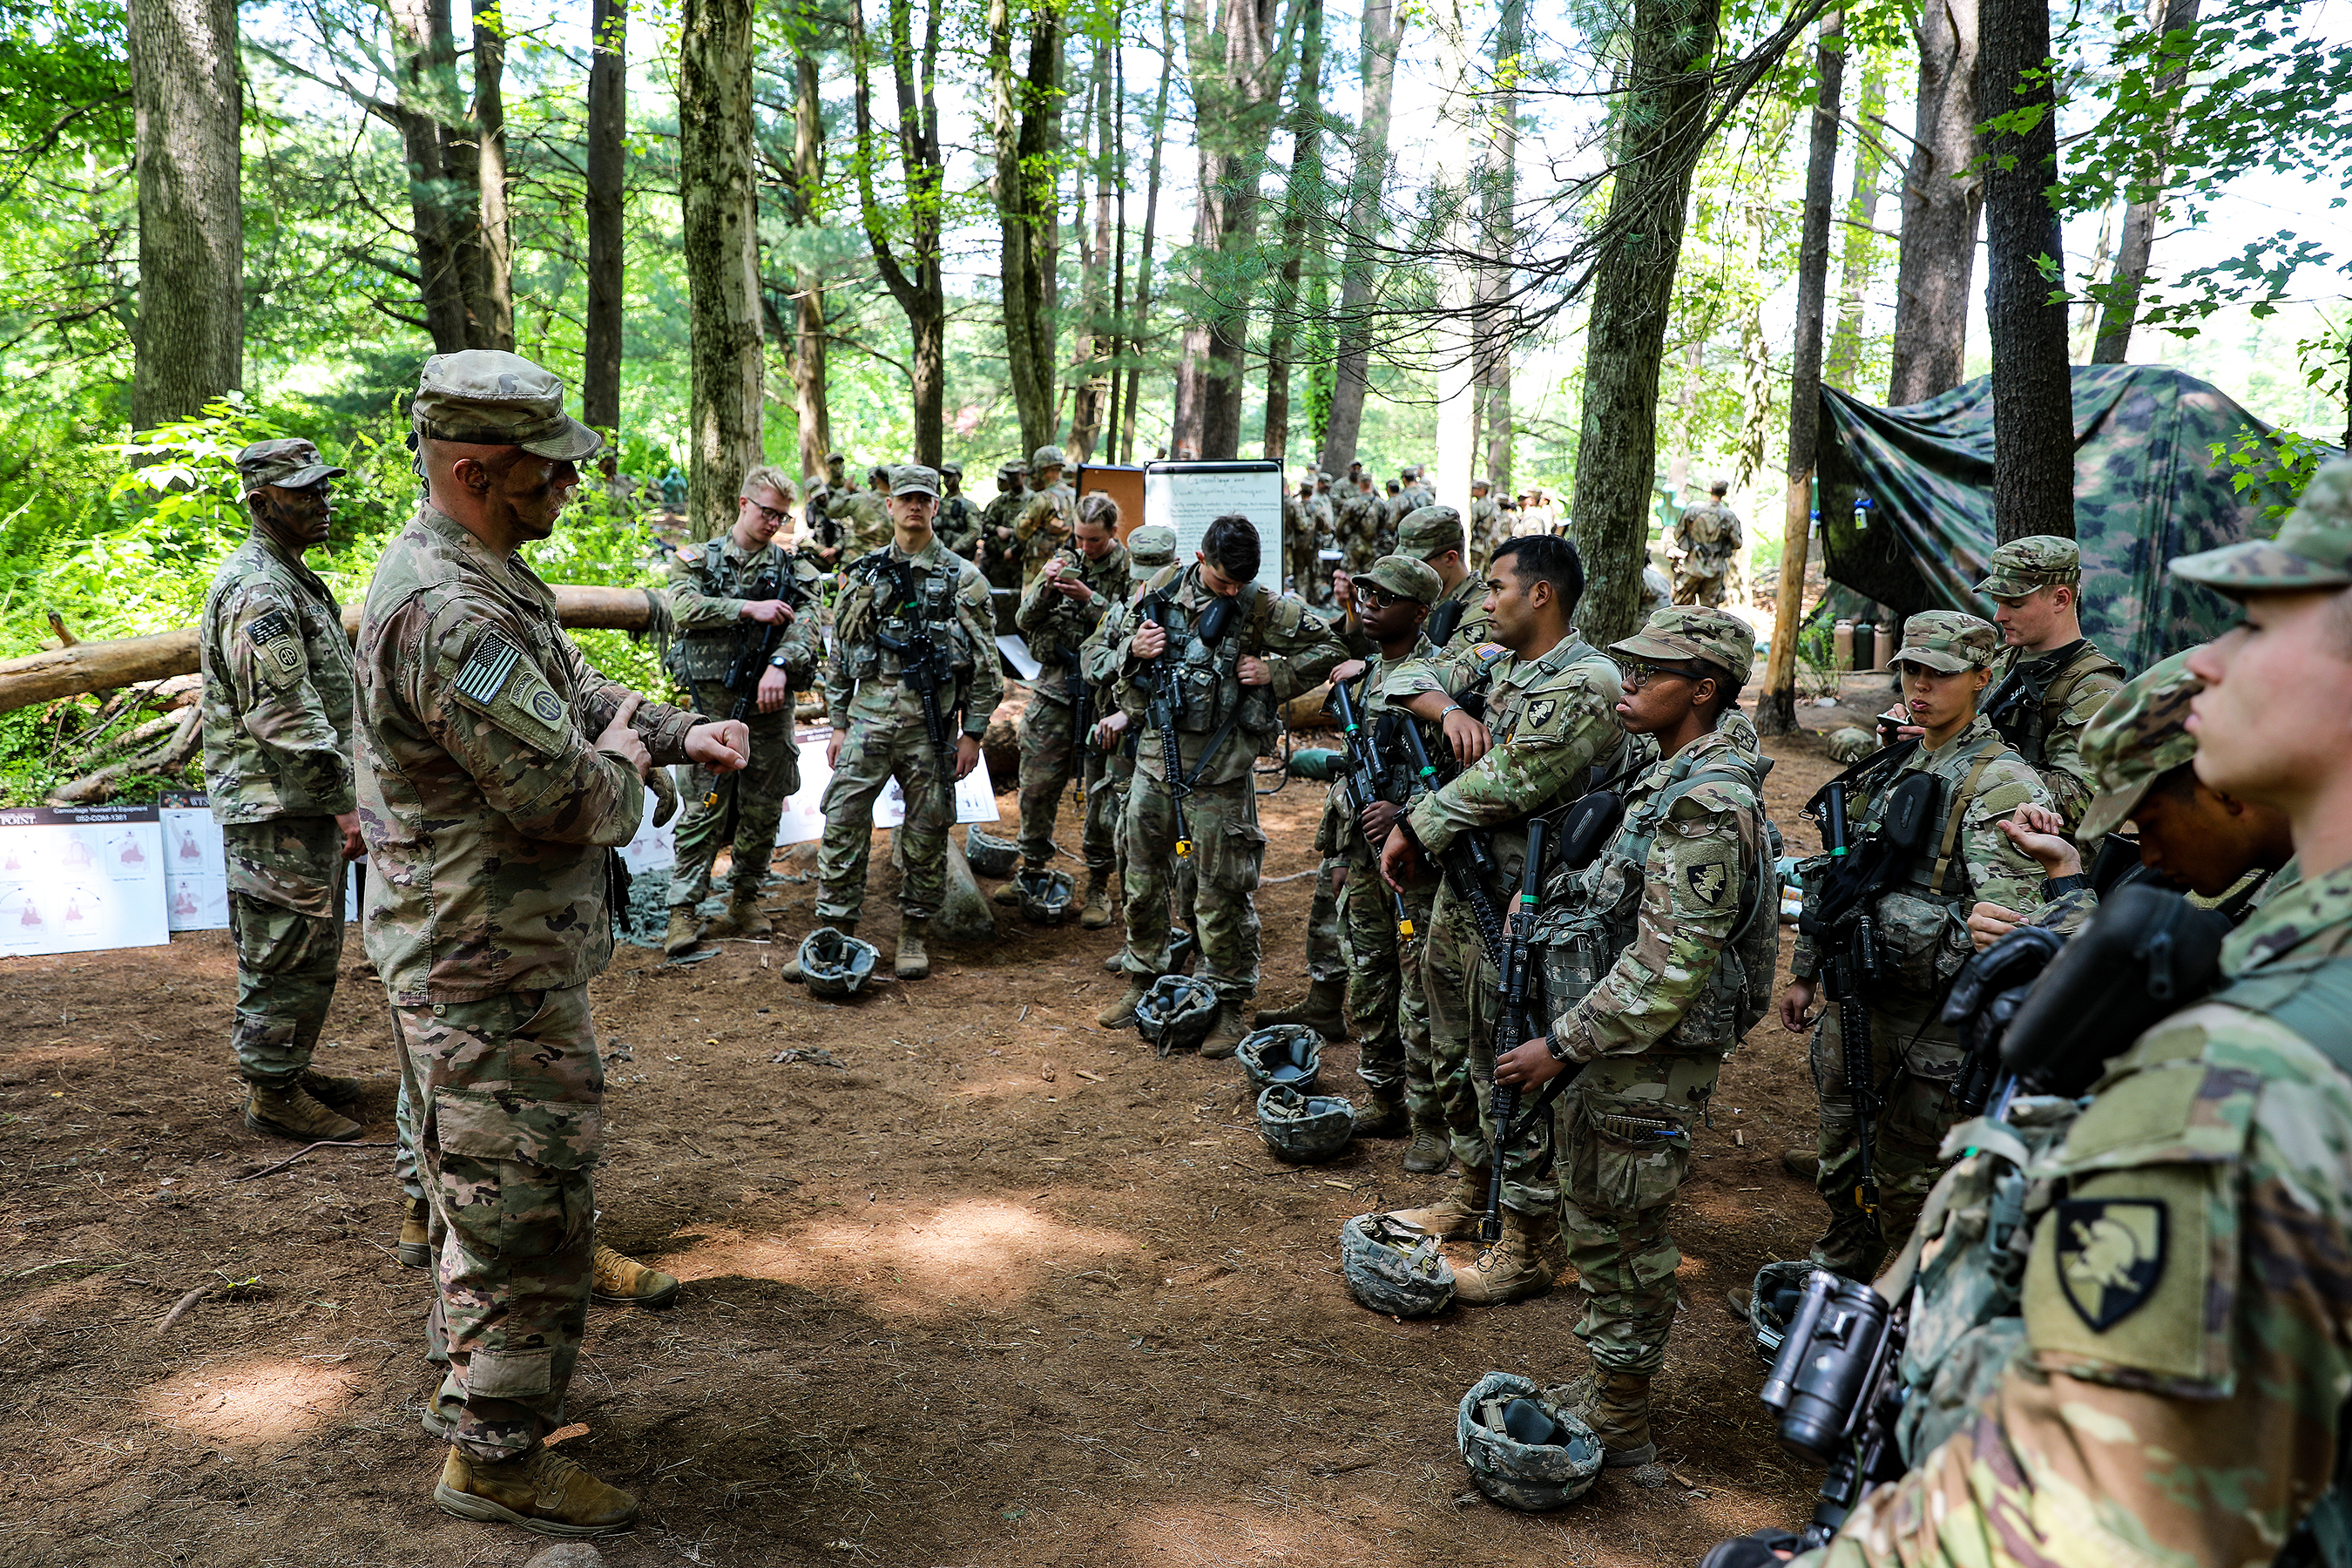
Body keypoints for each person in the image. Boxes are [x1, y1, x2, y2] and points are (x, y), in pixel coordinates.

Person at [1744, 457, 2352, 1568]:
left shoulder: (2252, 1072)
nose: (2208, 666)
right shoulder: (2295, 947)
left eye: (2261, 627)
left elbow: (2097, 1514)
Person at [355, 349, 750, 1537]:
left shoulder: (489, 575)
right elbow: (569, 795)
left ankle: (471, 1393)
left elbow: (577, 693)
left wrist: (677, 732)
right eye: (549, 469)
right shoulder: (443, 608)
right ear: (475, 470)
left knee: (479, 1186)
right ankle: (498, 1460)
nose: (572, 486)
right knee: (528, 1206)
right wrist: (631, 777)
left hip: (489, 949)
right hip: (484, 963)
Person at [1495, 607, 1773, 1467]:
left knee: (1629, 1230)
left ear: (1703, 690)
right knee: (1599, 1219)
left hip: (1644, 1055)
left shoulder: (1705, 803)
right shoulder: (1666, 773)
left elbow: (1668, 968)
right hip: (1616, 1048)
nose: (1631, 681)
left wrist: (1561, 1046)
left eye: (1652, 673)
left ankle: (1622, 1419)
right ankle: (1609, 1385)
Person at [1374, 535, 1627, 1305]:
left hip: (1532, 905)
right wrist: (1449, 708)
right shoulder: (1497, 659)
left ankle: (1526, 1241)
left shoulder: (1586, 680)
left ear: (1540, 595)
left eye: (1496, 588)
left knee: (1508, 1059)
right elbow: (1406, 674)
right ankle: (1470, 1187)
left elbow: (1515, 779)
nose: (1484, 602)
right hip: (1471, 882)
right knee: (1454, 1042)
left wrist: (1416, 824)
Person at [1780, 612, 2051, 1281]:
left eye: (1941, 673)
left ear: (1983, 679)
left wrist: (1922, 925)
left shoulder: (2001, 785)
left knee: (1910, 1177)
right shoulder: (1901, 757)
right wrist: (1806, 970)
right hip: (1862, 996)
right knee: (1843, 1149)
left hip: (1935, 1020)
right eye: (1911, 669)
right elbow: (1843, 875)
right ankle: (1838, 1274)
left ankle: (1904, 1317)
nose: (1921, 685)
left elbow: (2015, 929)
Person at [1095, 516, 1342, 1055]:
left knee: (1221, 891)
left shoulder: (1260, 606)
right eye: (1224, 581)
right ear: (1201, 560)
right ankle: (1143, 979)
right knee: (1140, 880)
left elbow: (1332, 646)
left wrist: (1274, 676)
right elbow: (1105, 660)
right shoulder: (1158, 590)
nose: (1234, 591)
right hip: (1155, 765)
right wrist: (1133, 652)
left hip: (1221, 774)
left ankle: (1230, 1002)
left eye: (1241, 582)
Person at [201, 437, 367, 1145]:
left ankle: (287, 1068)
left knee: (309, 943)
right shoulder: (260, 588)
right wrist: (344, 801)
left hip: (296, 805)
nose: (321, 503)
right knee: (283, 945)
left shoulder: (288, 575)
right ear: (262, 503)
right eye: (304, 493)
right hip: (280, 805)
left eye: (323, 489)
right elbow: (283, 714)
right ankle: (272, 1091)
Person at [796, 465, 1002, 982]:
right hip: (866, 722)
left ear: (935, 506)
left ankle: (914, 932)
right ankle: (833, 932)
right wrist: (838, 722)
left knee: (927, 831)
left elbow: (986, 667)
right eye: (905, 498)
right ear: (889, 505)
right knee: (842, 821)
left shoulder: (964, 578)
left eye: (923, 499)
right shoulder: (863, 573)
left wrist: (972, 733)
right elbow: (839, 653)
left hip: (929, 732)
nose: (914, 506)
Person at [1965, 647, 2295, 953]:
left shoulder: (2309, 913)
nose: (2149, 856)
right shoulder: (2257, 875)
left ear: (2226, 790)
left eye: (2152, 824)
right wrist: (2064, 872)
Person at [660, 463, 826, 956]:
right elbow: (682, 607)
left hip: (769, 710)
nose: (773, 523)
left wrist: (780, 663)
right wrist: (745, 609)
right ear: (743, 504)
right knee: (704, 807)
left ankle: (745, 900)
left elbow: (810, 622)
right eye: (766, 513)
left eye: (782, 517)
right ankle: (683, 911)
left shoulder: (793, 569)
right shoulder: (700, 560)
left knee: (763, 805)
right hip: (711, 710)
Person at [1320, 556, 1449, 1149]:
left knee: (1421, 991)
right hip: (1365, 852)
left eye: (1385, 597)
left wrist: (1409, 816)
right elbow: (1352, 770)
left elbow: (1462, 776)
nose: (1368, 603)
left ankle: (1429, 1123)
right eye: (1365, 593)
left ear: (1421, 612)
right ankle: (1383, 1097)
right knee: (1369, 977)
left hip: (1418, 862)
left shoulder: (1440, 680)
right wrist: (1341, 853)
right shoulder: (1365, 676)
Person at [1003, 491, 1132, 926]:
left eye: (1094, 540)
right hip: (1055, 689)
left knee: (1102, 795)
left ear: (1113, 533)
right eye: (1079, 538)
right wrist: (1046, 584)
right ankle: (1032, 867)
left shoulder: (1129, 570)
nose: (1085, 547)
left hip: (1105, 699)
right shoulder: (1062, 559)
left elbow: (1132, 627)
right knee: (1036, 785)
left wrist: (1087, 597)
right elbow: (1022, 620)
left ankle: (1099, 884)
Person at [1973, 534, 2126, 831]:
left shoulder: (2095, 691)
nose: (1999, 615)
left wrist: (1974, 763)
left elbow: (2085, 804)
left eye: (2014, 604)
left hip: (2042, 867)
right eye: (1998, 603)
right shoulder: (2003, 664)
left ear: (2061, 599)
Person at [1079, 524, 1182, 966]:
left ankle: (1184, 932)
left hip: (1178, 751)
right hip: (1125, 748)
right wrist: (1129, 654)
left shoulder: (1197, 614)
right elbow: (1090, 657)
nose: (1148, 581)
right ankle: (1139, 939)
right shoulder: (1126, 608)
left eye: (1156, 570)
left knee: (1181, 849)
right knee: (1126, 838)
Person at [1396, 505, 1494, 652]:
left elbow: (1451, 669)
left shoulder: (1481, 610)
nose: (1408, 569)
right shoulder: (1424, 598)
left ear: (1450, 558)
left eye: (1417, 563)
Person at [1669, 481, 1741, 608]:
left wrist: (1687, 547)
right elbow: (1737, 543)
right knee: (1709, 612)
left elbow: (1678, 533)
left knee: (1680, 609)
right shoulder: (1729, 516)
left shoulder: (1693, 510)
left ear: (1710, 489)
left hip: (1691, 566)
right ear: (1724, 493)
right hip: (1715, 569)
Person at [1014, 444, 1077, 582]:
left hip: (1040, 564)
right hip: (1067, 560)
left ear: (1044, 469)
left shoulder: (1043, 498)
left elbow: (1021, 530)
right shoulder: (1075, 495)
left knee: (1031, 599)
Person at [977, 459, 1028, 592]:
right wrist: (997, 529)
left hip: (1021, 560)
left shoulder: (1033, 500)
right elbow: (986, 524)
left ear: (1023, 475)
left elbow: (1036, 530)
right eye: (1008, 476)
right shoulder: (1001, 501)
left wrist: (1011, 532)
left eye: (1014, 476)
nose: (1011, 480)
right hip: (999, 562)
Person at [826, 464, 893, 558]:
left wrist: (845, 489)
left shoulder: (860, 500)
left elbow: (831, 511)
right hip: (884, 561)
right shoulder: (898, 506)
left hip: (854, 560)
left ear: (878, 480)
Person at [933, 462, 976, 557]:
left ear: (959, 477)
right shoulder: (936, 504)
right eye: (945, 476)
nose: (947, 479)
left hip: (959, 557)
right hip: (936, 554)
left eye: (950, 476)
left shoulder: (967, 505)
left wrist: (955, 548)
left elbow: (974, 531)